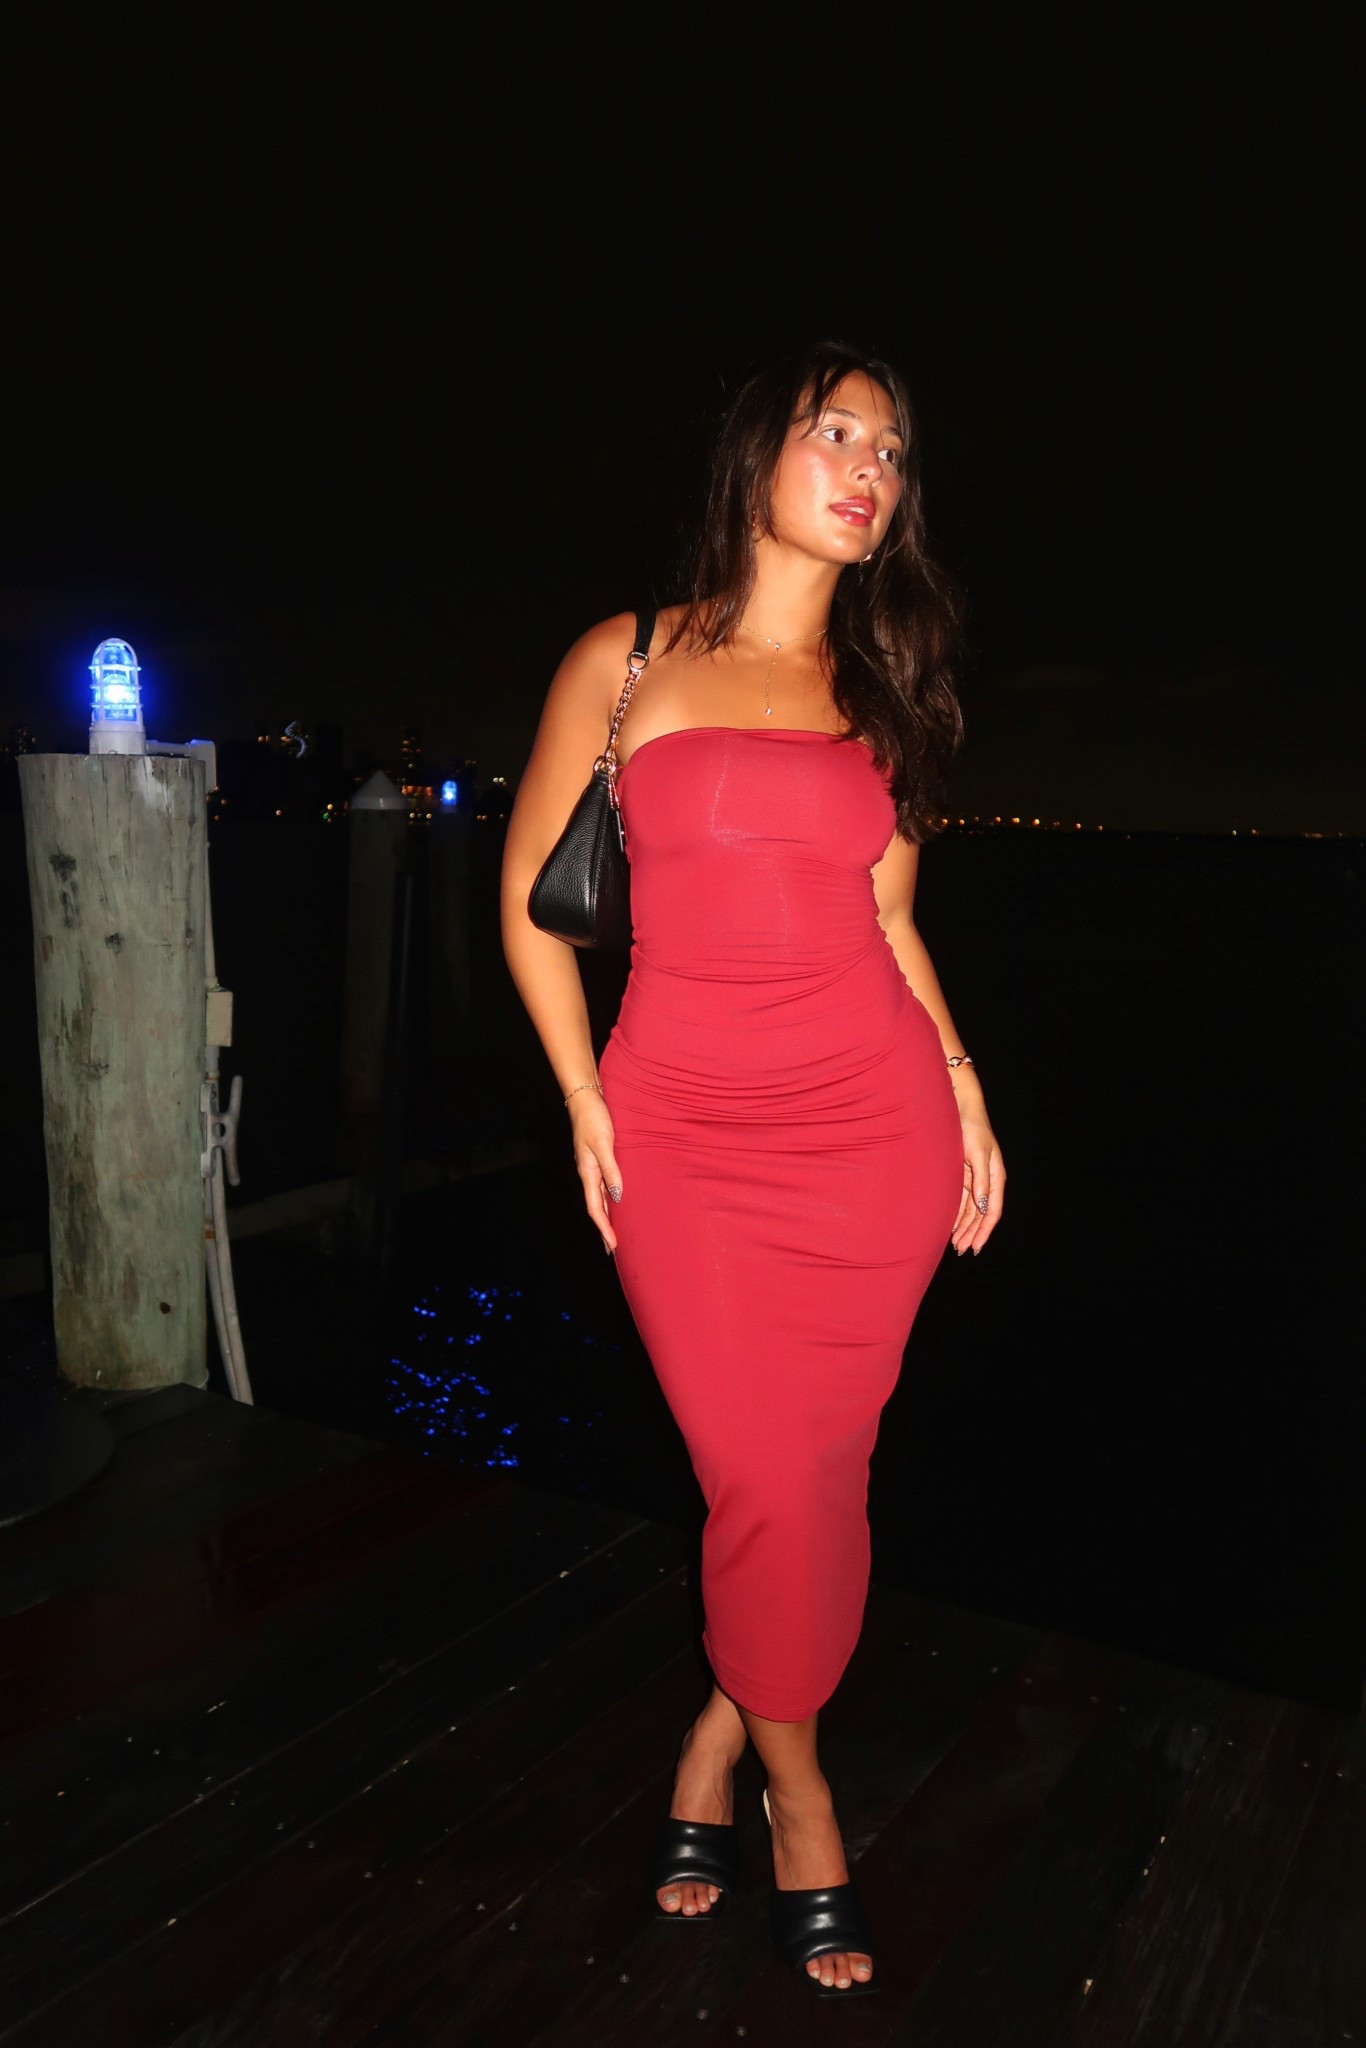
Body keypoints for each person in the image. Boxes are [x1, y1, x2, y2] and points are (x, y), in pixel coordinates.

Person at [501, 340, 1006, 1998]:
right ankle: (801, 1791)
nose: (868, 470)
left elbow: (890, 920)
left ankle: (725, 1736)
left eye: (891, 451)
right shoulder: (628, 659)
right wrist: (581, 1097)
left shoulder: (884, 687)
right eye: (834, 433)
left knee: (811, 1476)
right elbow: (529, 907)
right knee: (762, 1478)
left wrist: (965, 1092)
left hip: (872, 1128)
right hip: (684, 1135)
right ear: (755, 456)